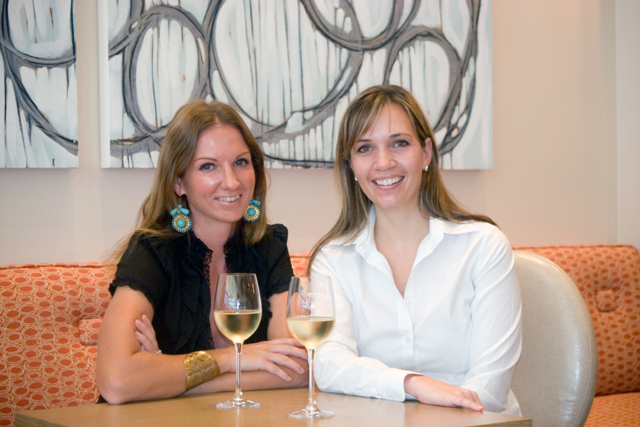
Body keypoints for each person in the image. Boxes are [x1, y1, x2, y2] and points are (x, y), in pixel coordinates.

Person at [309, 85, 522, 415]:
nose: (384, 162)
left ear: (425, 153)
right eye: (365, 148)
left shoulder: (484, 246)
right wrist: (412, 384)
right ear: (351, 165)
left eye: (399, 143)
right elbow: (330, 366)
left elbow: (489, 388)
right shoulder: (332, 260)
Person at [97, 99, 308, 404]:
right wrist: (232, 358)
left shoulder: (268, 247)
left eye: (241, 162)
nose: (231, 182)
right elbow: (117, 381)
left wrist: (168, 379)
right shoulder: (151, 252)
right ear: (178, 182)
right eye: (208, 166)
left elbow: (299, 368)